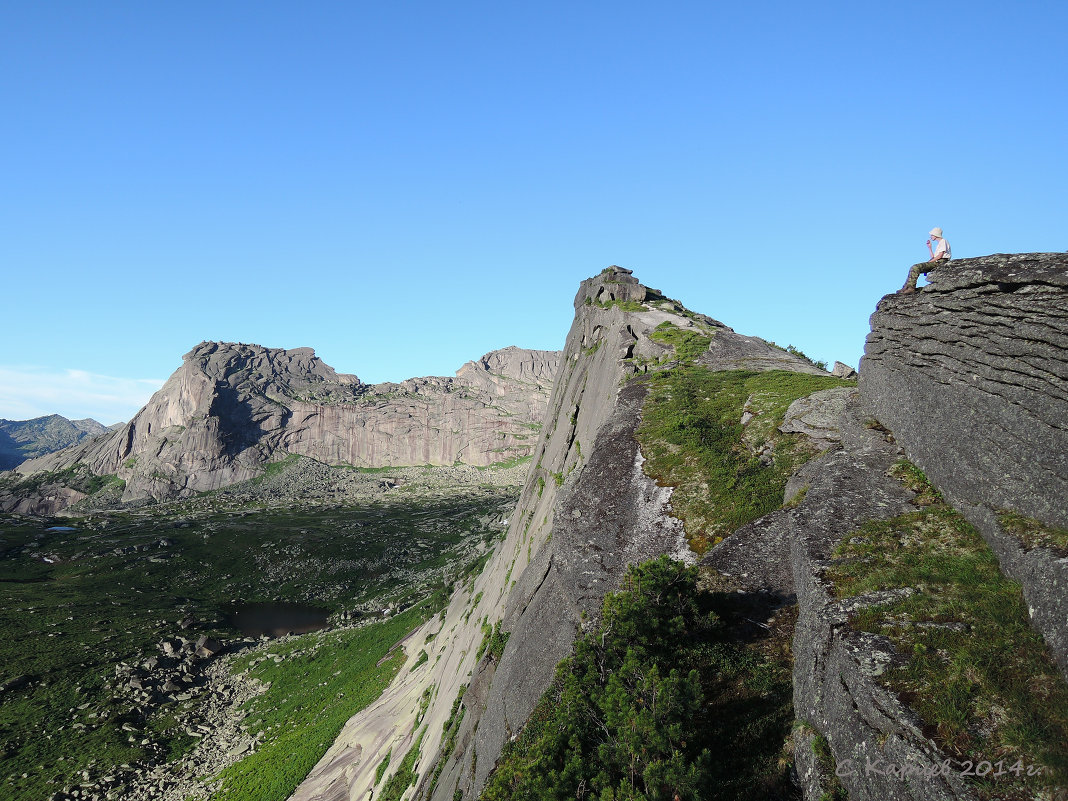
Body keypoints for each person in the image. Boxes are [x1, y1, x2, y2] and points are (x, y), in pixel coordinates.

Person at [898, 227, 952, 294]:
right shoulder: (939, 243)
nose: (931, 236)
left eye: (932, 235)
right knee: (913, 268)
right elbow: (933, 257)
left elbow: (940, 256)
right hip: (937, 261)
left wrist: (929, 262)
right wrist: (929, 248)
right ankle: (905, 288)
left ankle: (911, 288)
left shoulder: (943, 241)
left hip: (941, 262)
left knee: (915, 267)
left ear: (936, 235)